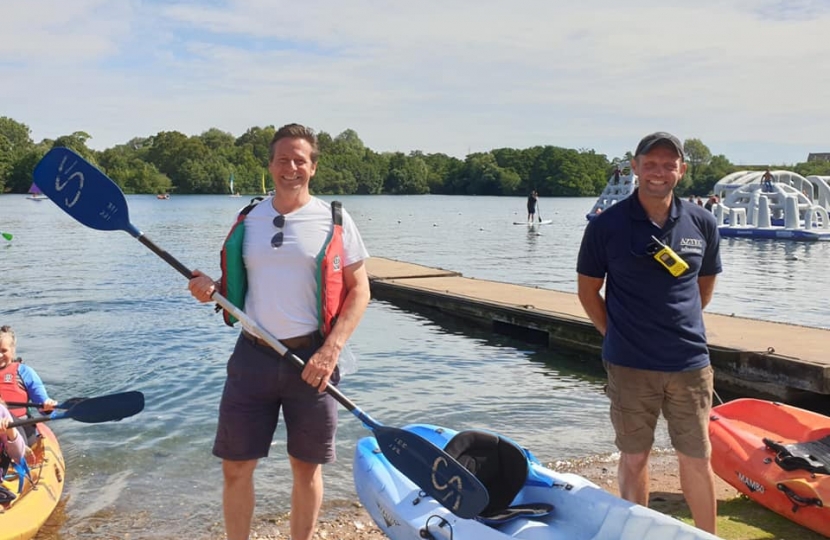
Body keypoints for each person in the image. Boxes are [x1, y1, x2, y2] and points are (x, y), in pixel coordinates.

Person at [187, 123, 371, 540]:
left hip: (313, 359)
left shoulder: (334, 220)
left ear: (314, 167)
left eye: (300, 160)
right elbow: (231, 285)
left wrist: (331, 351)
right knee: (235, 467)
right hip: (252, 357)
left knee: (305, 468)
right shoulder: (249, 217)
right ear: (270, 165)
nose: (291, 167)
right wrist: (210, 289)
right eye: (283, 159)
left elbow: (361, 291)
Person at [576, 132, 721, 534]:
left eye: (668, 164)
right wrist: (614, 334)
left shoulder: (702, 222)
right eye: (651, 164)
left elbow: (703, 286)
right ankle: (635, 533)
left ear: (682, 170)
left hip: (690, 365)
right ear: (635, 167)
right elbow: (588, 291)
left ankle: (707, 535)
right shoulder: (607, 226)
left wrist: (678, 324)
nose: (659, 172)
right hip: (630, 365)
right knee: (635, 457)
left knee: (696, 458)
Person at [0, 326, 57, 444]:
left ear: (12, 350)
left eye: (3, 351)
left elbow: (44, 408)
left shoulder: (25, 373)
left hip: (20, 428)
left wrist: (48, 406)